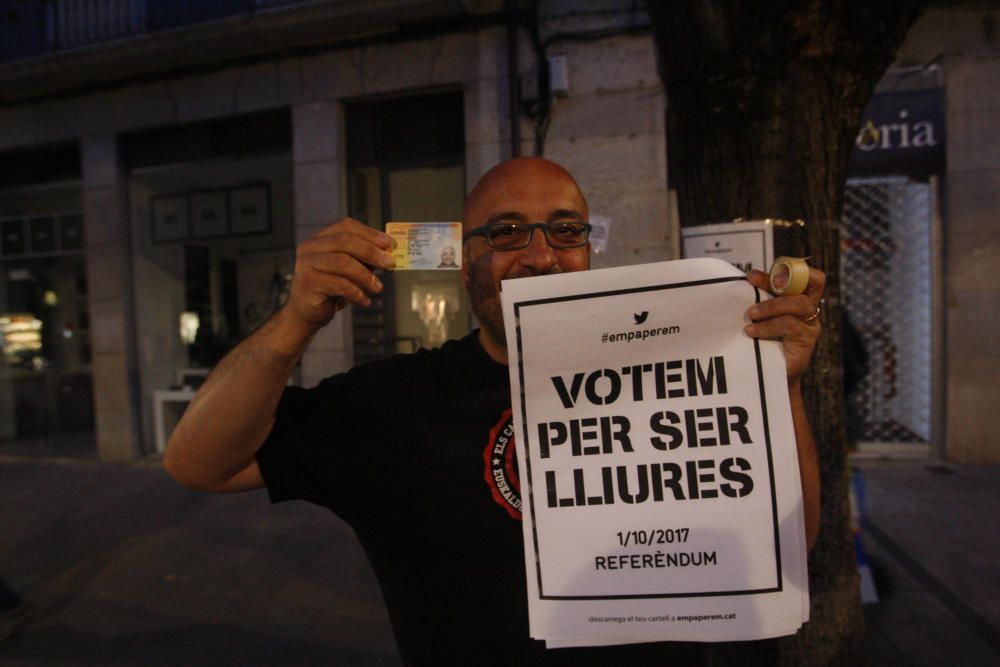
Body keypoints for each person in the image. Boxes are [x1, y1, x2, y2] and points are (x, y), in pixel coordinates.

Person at [164, 157, 824, 665]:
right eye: (506, 232)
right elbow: (199, 462)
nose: (541, 254)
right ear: (464, 263)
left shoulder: (671, 378)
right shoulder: (392, 404)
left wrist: (781, 385)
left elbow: (791, 541)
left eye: (565, 230)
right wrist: (292, 322)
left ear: (588, 249)